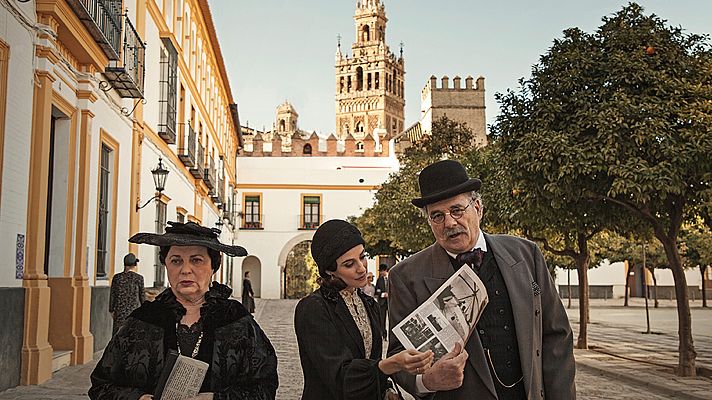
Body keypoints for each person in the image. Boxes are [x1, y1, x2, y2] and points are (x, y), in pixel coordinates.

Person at [387, 160, 576, 400]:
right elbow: (398, 355)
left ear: (478, 208)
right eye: (437, 216)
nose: (449, 223)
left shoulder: (526, 254)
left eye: (457, 210)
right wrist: (426, 381)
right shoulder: (405, 276)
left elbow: (556, 335)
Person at [89, 221, 278, 400]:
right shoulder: (143, 320)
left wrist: (216, 398)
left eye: (196, 260)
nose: (186, 270)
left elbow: (265, 386)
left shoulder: (236, 320)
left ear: (213, 267)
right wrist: (137, 398)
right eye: (176, 261)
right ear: (167, 266)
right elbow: (101, 385)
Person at [294, 219, 434, 400]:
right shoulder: (313, 308)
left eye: (362, 256)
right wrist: (391, 364)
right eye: (349, 264)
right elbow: (340, 376)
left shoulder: (369, 304)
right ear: (330, 271)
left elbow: (371, 362)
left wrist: (386, 391)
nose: (361, 268)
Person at [109, 253, 145, 335]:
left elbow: (113, 295)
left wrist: (112, 310)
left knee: (117, 338)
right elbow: (142, 298)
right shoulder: (139, 278)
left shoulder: (117, 278)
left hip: (119, 315)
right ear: (134, 264)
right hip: (133, 315)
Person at [374, 264, 389, 337]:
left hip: (390, 302)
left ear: (385, 270)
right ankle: (384, 335)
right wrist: (382, 294)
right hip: (382, 302)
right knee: (382, 319)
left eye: (381, 271)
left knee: (392, 319)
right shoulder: (379, 280)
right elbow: (377, 290)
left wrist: (389, 294)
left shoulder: (391, 278)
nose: (380, 273)